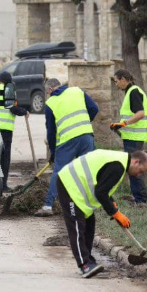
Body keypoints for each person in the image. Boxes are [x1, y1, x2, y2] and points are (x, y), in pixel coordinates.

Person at [56, 149, 147, 278]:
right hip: (69, 184)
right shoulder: (118, 166)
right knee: (77, 228)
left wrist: (112, 204)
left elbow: (103, 186)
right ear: (136, 162)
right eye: (141, 171)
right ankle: (84, 265)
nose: (138, 175)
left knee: (89, 226)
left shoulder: (120, 162)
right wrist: (115, 213)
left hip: (77, 188)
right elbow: (100, 192)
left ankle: (90, 262)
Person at [35, 78, 98, 217]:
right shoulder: (77, 91)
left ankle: (48, 206)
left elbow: (51, 132)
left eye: (47, 92)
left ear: (50, 90)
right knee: (87, 169)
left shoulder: (50, 103)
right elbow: (94, 108)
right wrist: (85, 123)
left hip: (67, 141)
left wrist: (53, 151)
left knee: (59, 171)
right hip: (86, 136)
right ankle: (90, 204)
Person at [111, 69, 147, 205]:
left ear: (123, 79)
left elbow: (140, 113)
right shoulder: (131, 92)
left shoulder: (133, 92)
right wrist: (119, 126)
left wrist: (123, 123)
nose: (116, 85)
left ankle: (142, 201)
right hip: (132, 137)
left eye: (116, 81)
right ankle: (141, 199)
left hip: (134, 138)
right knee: (134, 168)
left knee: (134, 168)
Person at [0, 71, 28, 191]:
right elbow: (12, 108)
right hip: (6, 129)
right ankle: (3, 185)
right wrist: (24, 111)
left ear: (0, 80)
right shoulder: (9, 90)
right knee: (5, 157)